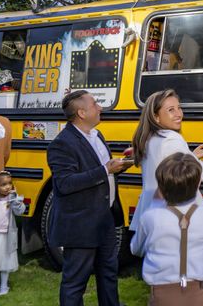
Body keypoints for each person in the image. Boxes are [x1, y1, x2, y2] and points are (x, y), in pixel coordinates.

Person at [47, 90, 131, 306]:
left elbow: (103, 172)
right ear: (82, 112)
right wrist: (105, 170)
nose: (100, 107)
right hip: (81, 224)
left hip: (105, 218)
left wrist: (120, 165)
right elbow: (65, 184)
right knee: (76, 282)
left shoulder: (97, 135)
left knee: (109, 275)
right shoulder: (62, 144)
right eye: (95, 104)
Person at [129, 89, 203, 232]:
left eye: (179, 108)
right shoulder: (171, 139)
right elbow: (200, 175)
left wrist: (191, 156)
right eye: (171, 110)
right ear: (156, 117)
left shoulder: (150, 139)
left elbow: (167, 168)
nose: (178, 114)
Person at [131, 153, 203, 305]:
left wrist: (155, 203)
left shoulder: (150, 217)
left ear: (161, 189)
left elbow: (136, 248)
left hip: (163, 291)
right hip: (202, 289)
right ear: (198, 185)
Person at [0, 171, 25, 296]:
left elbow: (20, 211)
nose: (7, 187)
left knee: (5, 262)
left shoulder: (12, 198)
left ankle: (4, 287)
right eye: (3, 184)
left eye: (9, 183)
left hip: (5, 236)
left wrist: (16, 201)